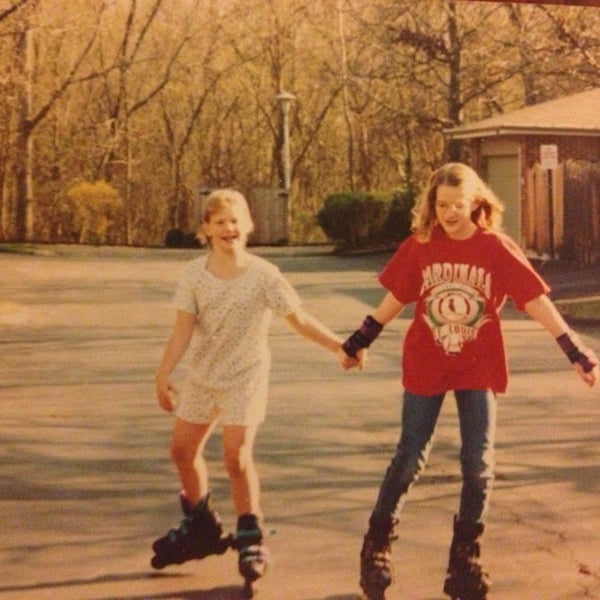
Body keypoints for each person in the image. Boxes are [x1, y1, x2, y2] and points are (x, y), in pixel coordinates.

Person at [338, 162, 599, 600]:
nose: (448, 213)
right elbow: (395, 299)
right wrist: (360, 339)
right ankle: (377, 544)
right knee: (410, 458)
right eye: (441, 205)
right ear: (432, 205)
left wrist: (574, 350)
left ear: (475, 202)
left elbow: (533, 301)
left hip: (477, 364)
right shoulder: (421, 245)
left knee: (478, 465)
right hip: (427, 362)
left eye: (456, 205)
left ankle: (464, 559)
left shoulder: (495, 246)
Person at [151, 189, 348, 587]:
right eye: (220, 221)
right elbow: (182, 329)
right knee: (182, 451)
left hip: (246, 376)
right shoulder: (194, 274)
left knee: (235, 457)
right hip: (204, 376)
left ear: (249, 226)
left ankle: (250, 534)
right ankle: (201, 524)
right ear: (205, 229)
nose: (230, 228)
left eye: (236, 220)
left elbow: (299, 319)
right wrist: (164, 373)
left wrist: (340, 347)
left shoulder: (264, 275)